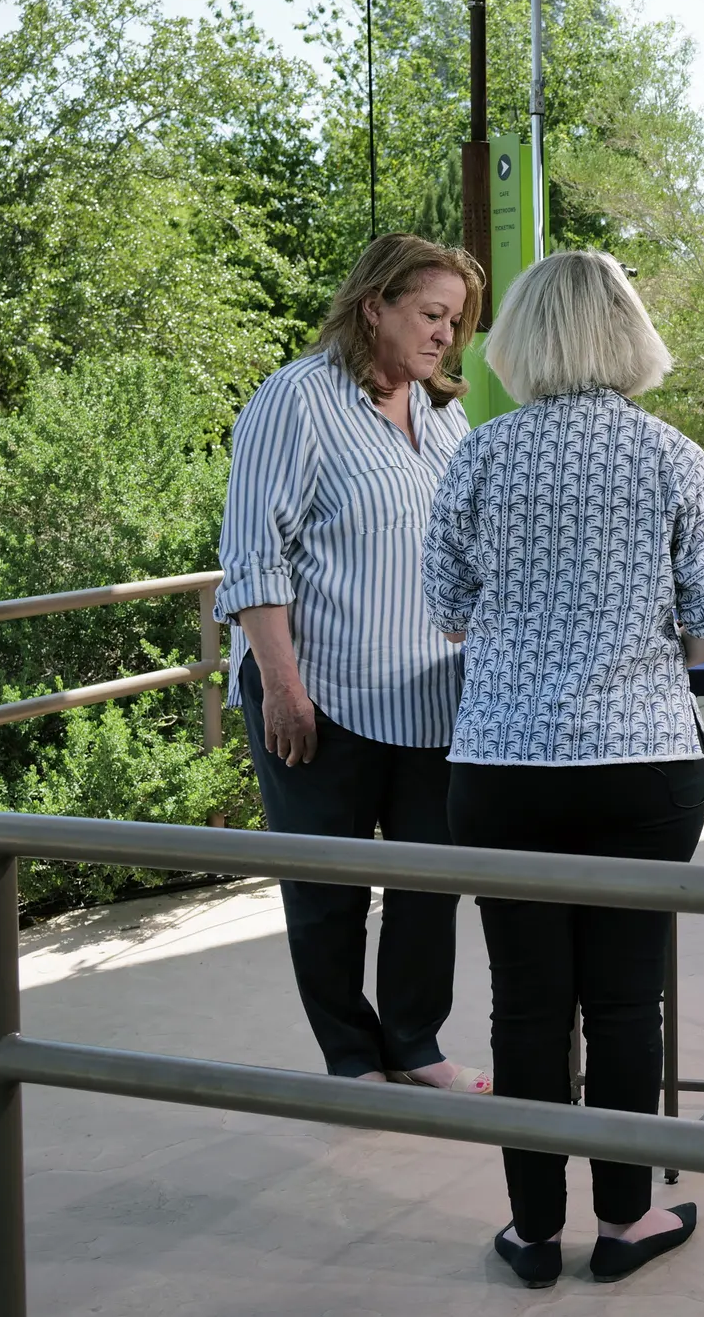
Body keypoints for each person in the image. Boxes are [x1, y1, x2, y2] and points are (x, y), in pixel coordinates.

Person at [426, 250, 704, 1289]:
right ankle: (625, 1220)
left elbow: (446, 611)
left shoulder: (478, 458)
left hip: (505, 763)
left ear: (518, 342)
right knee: (624, 1002)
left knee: (524, 1003)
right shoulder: (672, 455)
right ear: (629, 334)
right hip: (640, 762)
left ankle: (531, 1232)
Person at [215, 234, 490, 1092]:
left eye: (456, 320)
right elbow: (253, 555)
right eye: (431, 314)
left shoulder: (447, 413)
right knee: (327, 891)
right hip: (318, 690)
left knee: (429, 882)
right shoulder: (294, 399)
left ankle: (414, 1043)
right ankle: (349, 1056)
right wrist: (283, 688)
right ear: (374, 305)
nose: (446, 335)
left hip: (433, 696)